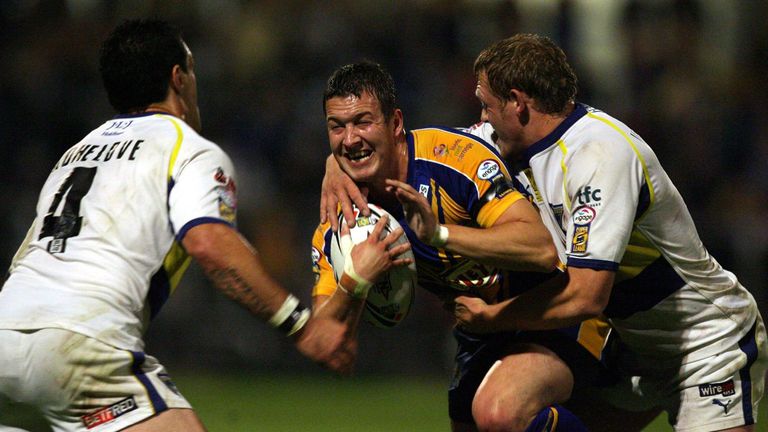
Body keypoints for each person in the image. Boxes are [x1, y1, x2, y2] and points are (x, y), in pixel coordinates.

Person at [0, 19, 402, 432]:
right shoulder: (186, 148)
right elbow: (209, 243)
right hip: (81, 343)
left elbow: (25, 257)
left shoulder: (73, 156)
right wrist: (302, 327)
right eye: (192, 70)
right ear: (178, 77)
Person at [447, 34, 768, 432]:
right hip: (633, 351)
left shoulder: (600, 154)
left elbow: (586, 295)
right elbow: (433, 151)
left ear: (517, 103)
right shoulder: (518, 145)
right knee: (509, 417)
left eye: (486, 105)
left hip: (705, 343)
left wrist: (494, 317)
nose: (482, 118)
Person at [313, 61, 612, 432]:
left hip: (552, 309)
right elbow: (322, 335)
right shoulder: (340, 217)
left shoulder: (453, 161)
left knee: (499, 412)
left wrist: (439, 234)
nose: (350, 139)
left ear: (395, 123)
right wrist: (354, 280)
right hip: (480, 329)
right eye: (337, 127)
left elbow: (540, 248)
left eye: (363, 122)